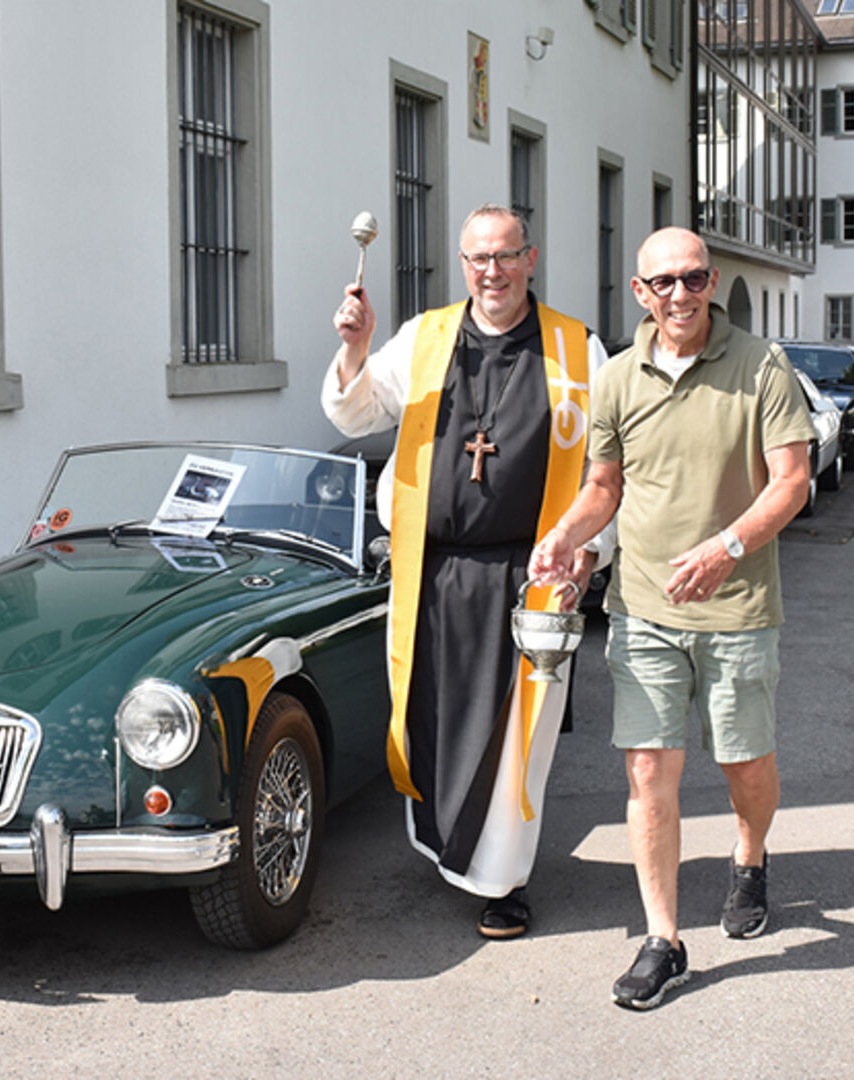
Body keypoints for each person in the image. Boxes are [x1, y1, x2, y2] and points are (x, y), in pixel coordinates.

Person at [528, 227, 814, 1010]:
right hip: (644, 607)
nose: (680, 295)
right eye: (664, 283)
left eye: (692, 279)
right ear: (639, 292)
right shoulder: (617, 378)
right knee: (649, 770)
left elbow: (791, 481)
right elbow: (604, 487)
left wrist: (726, 547)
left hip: (738, 607)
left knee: (743, 765)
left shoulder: (762, 367)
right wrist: (562, 536)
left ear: (712, 280)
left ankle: (749, 856)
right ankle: (665, 939)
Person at [322, 204, 611, 939]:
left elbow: (613, 471)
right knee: (437, 718)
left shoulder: (578, 352)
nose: (493, 272)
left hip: (529, 575)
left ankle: (504, 882)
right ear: (463, 264)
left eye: (506, 256)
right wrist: (355, 349)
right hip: (432, 568)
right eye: (478, 259)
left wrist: (590, 550)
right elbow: (354, 415)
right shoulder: (425, 337)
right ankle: (450, 847)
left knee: (517, 734)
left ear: (531, 258)